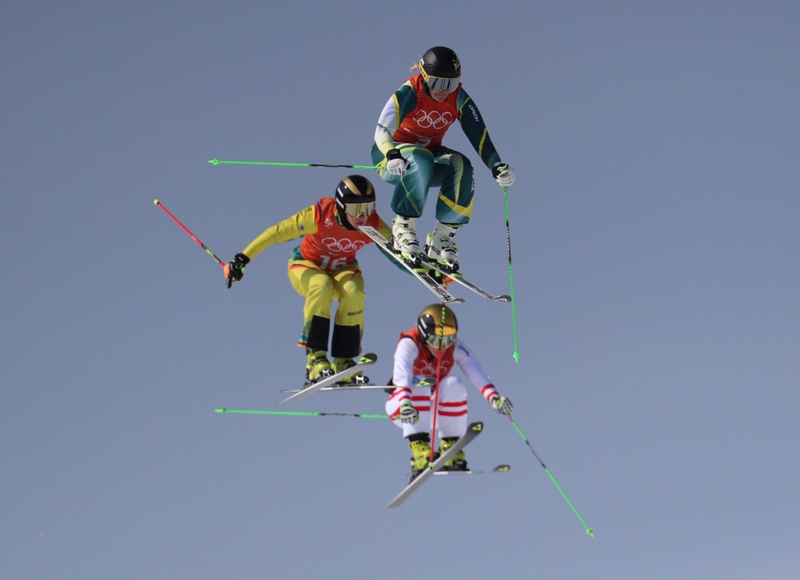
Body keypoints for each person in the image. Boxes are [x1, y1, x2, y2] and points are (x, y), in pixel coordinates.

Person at [224, 175, 394, 386]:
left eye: (367, 208)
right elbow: (276, 233)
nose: (361, 216)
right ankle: (316, 359)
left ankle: (344, 361)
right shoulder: (320, 215)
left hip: (342, 269)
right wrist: (243, 258)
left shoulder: (373, 224)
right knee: (321, 285)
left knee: (354, 292)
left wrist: (434, 275)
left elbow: (398, 254)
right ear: (341, 207)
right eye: (354, 209)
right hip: (305, 264)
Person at [371, 46, 516, 271]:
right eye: (438, 83)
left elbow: (480, 136)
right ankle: (404, 227)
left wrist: (497, 166)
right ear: (424, 76)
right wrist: (391, 154)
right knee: (421, 159)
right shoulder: (411, 91)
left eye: (451, 84)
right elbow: (382, 130)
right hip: (391, 157)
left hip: (427, 156)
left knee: (461, 165)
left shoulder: (457, 98)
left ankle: (442, 237)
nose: (444, 91)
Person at [385, 304, 513, 480]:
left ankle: (450, 448)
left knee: (453, 383)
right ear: (423, 335)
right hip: (403, 408)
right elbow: (402, 377)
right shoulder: (409, 344)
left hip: (431, 412)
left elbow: (476, 372)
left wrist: (495, 398)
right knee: (421, 382)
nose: (442, 347)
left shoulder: (455, 348)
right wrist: (406, 403)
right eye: (437, 341)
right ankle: (420, 451)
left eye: (448, 339)